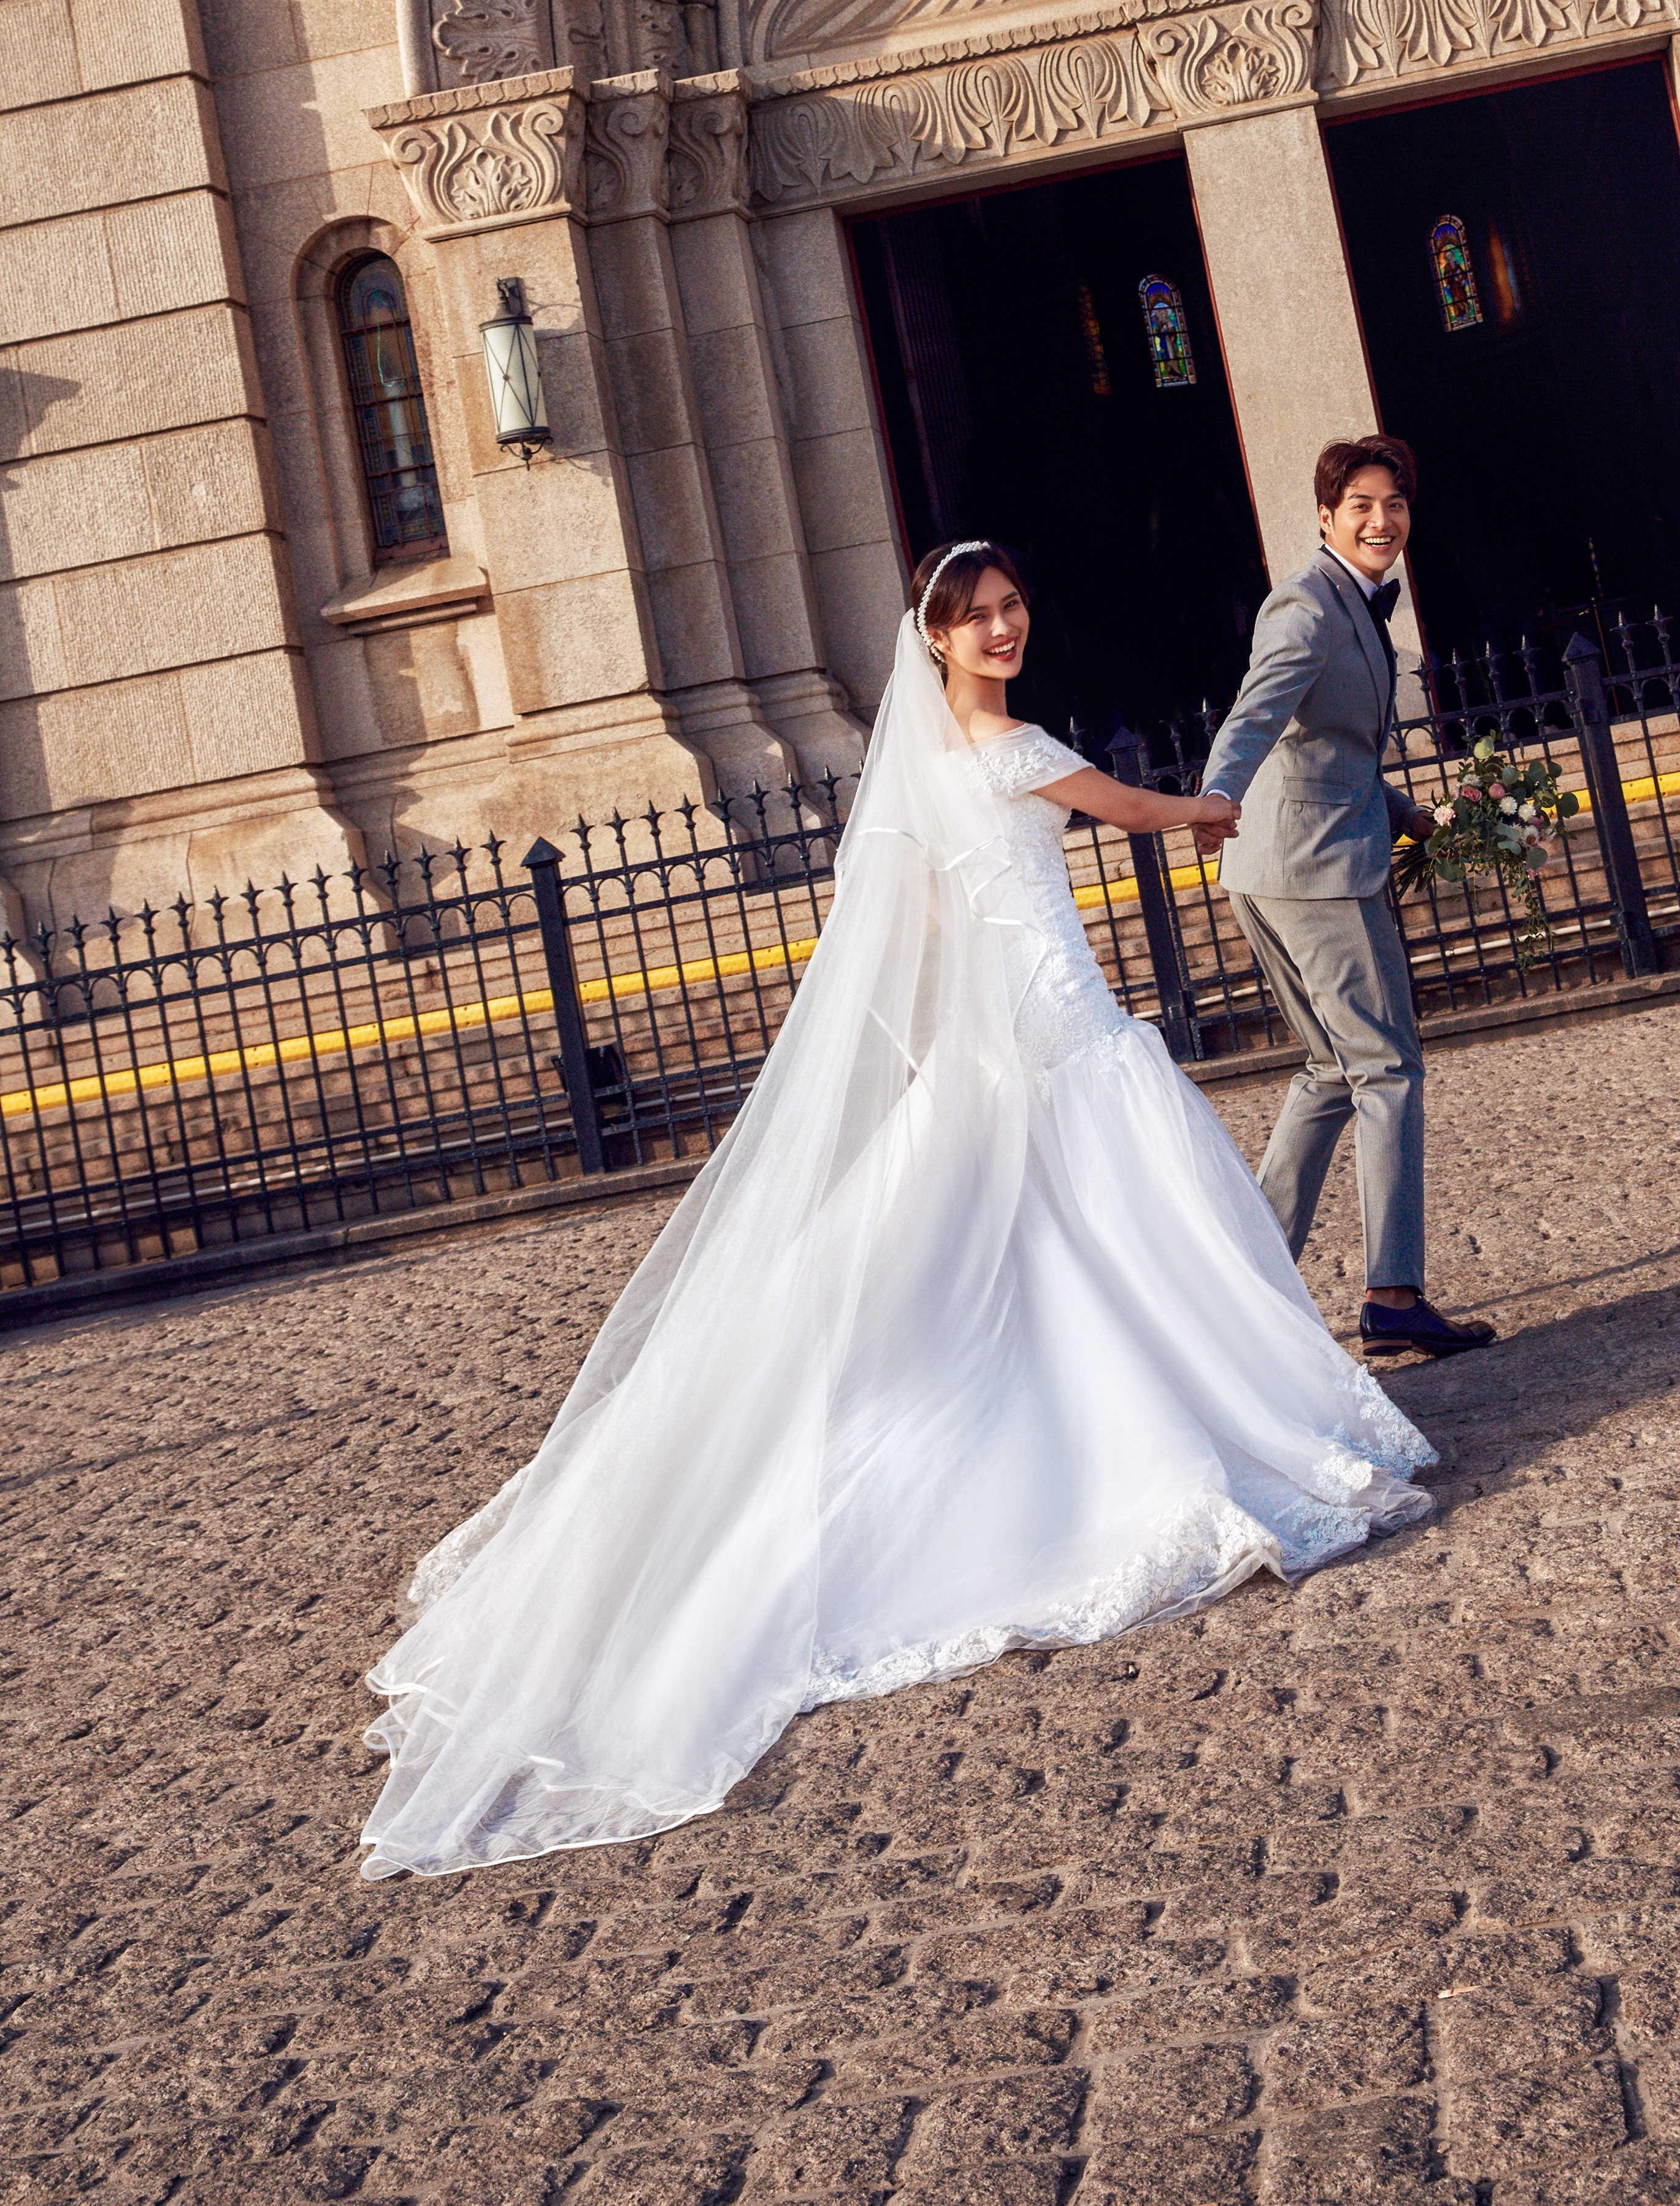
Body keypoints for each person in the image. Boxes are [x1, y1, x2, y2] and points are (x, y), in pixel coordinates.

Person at [359, 539, 1433, 1880]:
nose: (1002, 628)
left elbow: (912, 932)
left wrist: (951, 1045)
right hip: (1055, 1027)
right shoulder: (1021, 752)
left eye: (1011, 606)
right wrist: (1227, 804)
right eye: (976, 617)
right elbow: (1149, 815)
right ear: (933, 638)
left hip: (1007, 1036)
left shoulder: (918, 778)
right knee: (1094, 1228)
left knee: (1048, 1255)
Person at [1202, 437, 1500, 1366]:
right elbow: (1258, 715)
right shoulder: (1307, 603)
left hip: (1289, 862)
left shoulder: (1355, 603)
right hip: (1315, 873)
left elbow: (1334, 755)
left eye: (1395, 504)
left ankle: (1245, 1282)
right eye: (1362, 504)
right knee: (1387, 1070)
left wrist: (1419, 820)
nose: (1382, 521)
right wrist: (1216, 795)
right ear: (1326, 516)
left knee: (1334, 1067)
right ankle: (1393, 1294)